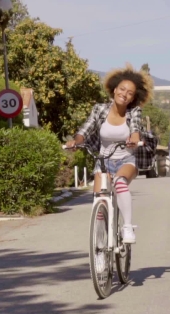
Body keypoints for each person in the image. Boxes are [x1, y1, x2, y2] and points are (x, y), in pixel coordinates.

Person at [65, 64, 153, 244]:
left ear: (132, 98)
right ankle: (100, 249)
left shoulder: (133, 112)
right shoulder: (99, 109)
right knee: (100, 201)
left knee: (120, 183)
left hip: (126, 160)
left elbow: (135, 128)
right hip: (103, 162)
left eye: (130, 93)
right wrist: (76, 141)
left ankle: (127, 227)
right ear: (114, 90)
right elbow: (85, 129)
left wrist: (134, 138)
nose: (124, 94)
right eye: (122, 89)